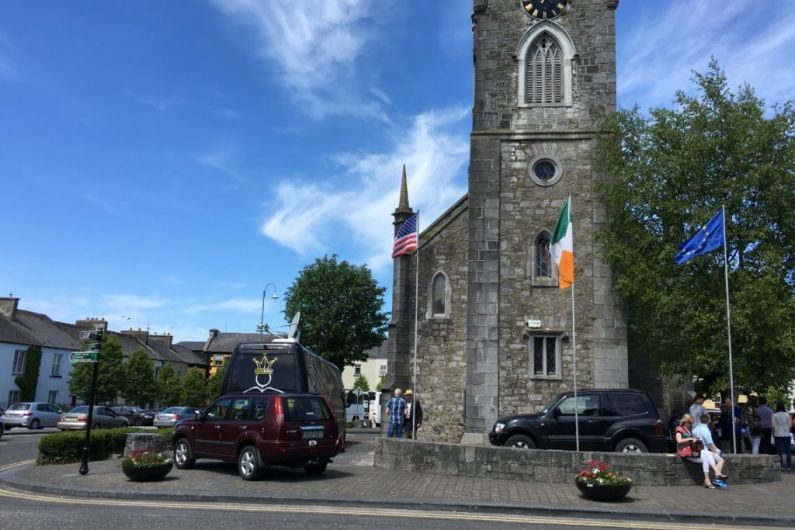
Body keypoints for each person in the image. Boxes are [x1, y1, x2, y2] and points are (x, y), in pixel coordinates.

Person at [676, 414, 725, 489]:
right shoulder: (679, 429)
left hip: (692, 452)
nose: (690, 424)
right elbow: (679, 440)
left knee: (706, 457)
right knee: (706, 452)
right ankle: (717, 472)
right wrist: (691, 439)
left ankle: (707, 480)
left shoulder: (689, 430)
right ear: (686, 422)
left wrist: (695, 439)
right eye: (690, 423)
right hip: (685, 452)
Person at [693, 413, 728, 487]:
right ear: (709, 420)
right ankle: (716, 478)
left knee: (709, 459)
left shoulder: (695, 428)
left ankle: (709, 480)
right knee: (721, 460)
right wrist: (718, 451)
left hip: (696, 451)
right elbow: (710, 444)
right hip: (704, 451)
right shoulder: (706, 430)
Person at [772, 401, 792, 471]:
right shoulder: (787, 415)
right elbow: (790, 425)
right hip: (786, 434)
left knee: (779, 451)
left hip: (778, 434)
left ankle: (781, 466)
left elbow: (773, 426)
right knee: (788, 451)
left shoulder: (775, 415)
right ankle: (789, 466)